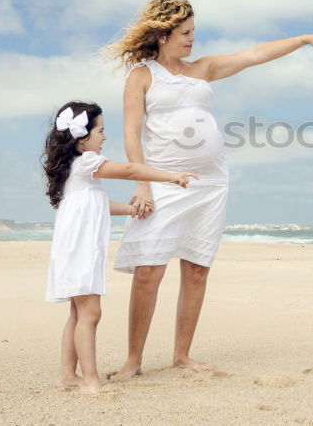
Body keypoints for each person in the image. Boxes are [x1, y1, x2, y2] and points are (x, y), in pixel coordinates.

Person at [105, 0, 313, 378]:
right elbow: (131, 134)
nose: (191, 39)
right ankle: (133, 360)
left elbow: (254, 55)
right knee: (149, 270)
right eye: (184, 33)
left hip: (211, 183)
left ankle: (181, 355)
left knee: (197, 270)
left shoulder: (204, 69)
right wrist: (144, 183)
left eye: (193, 32)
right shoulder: (142, 75)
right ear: (163, 34)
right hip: (163, 180)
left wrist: (301, 40)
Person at [42, 100, 197, 393]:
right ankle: (90, 380)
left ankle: (66, 375)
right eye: (101, 130)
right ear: (83, 136)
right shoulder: (87, 162)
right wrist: (171, 176)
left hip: (72, 248)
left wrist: (132, 210)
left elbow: (94, 204)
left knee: (78, 313)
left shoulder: (74, 170)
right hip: (81, 249)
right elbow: (127, 170)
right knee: (90, 313)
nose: (104, 136)